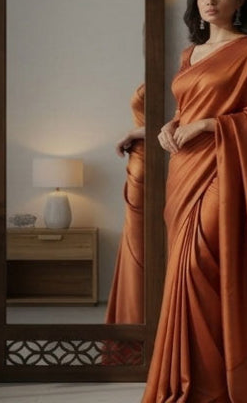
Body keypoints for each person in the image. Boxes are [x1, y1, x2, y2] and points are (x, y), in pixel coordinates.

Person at [142, 0, 247, 402]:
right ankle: (189, 378)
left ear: (239, 0)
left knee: (200, 265)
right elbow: (188, 106)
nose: (211, 1)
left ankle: (213, 385)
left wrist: (209, 125)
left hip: (224, 168)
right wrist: (172, 125)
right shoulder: (190, 54)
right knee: (182, 273)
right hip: (184, 170)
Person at [106, 82, 146, 326]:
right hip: (139, 160)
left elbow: (178, 120)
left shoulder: (181, 71)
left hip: (151, 161)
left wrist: (133, 134)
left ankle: (139, 323)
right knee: (135, 242)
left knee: (140, 244)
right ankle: (133, 321)